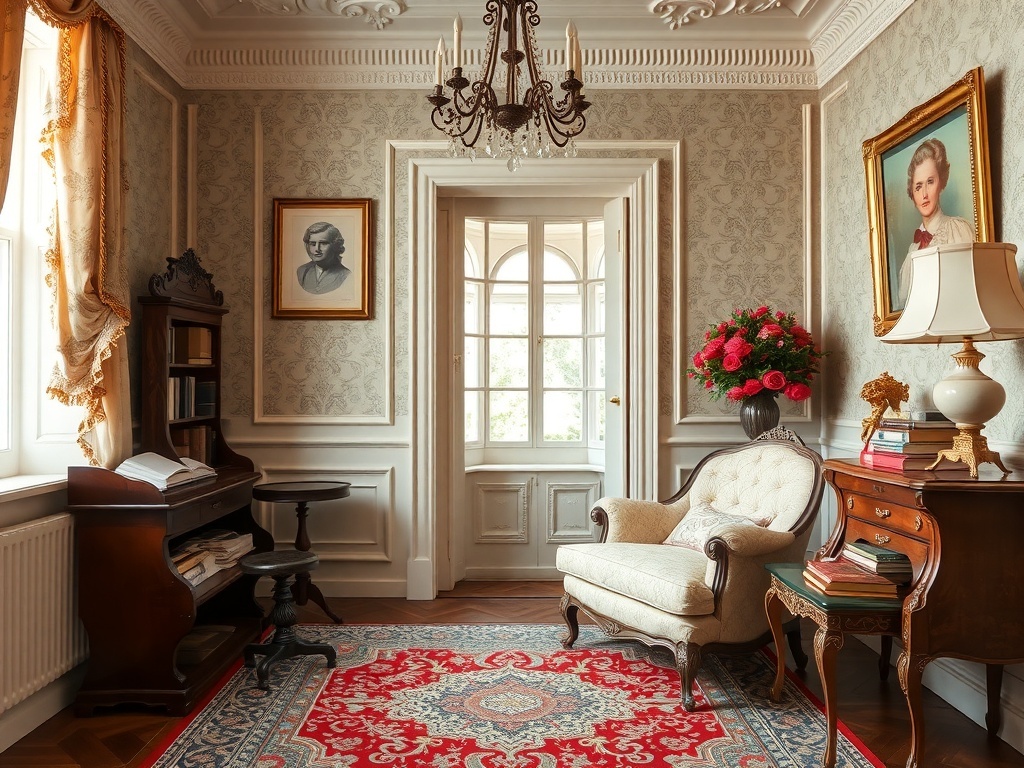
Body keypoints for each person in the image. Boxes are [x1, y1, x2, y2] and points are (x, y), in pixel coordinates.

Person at [897, 138, 974, 306]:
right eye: (918, 186)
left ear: (941, 183)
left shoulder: (957, 230)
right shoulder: (912, 251)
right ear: (912, 193)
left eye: (930, 182)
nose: (924, 194)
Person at [297, 221, 351, 294]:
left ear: (336, 245)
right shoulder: (302, 271)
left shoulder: (346, 275)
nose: (317, 249)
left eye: (323, 243)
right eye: (313, 244)